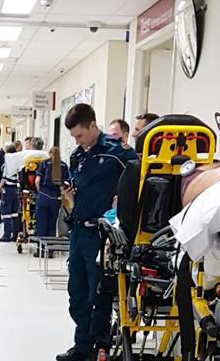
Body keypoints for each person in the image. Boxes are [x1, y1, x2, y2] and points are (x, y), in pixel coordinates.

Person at [57, 104, 138, 361]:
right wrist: (68, 199)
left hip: (101, 236)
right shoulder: (77, 156)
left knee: (99, 295)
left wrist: (122, 204)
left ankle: (98, 349)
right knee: (77, 295)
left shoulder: (119, 153)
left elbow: (138, 182)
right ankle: (82, 346)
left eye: (80, 135)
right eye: (73, 137)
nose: (77, 141)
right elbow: (76, 187)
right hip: (78, 233)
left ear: (93, 125)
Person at [34, 146, 69, 245]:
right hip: (56, 198)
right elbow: (66, 182)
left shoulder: (44, 163)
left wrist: (39, 191)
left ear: (50, 154)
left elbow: (37, 180)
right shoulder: (64, 165)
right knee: (52, 224)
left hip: (44, 195)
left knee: (41, 223)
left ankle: (41, 249)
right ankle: (50, 249)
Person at [0, 144, 20, 242]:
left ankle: (6, 235)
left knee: (6, 213)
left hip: (8, 189)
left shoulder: (8, 163)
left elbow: (4, 177)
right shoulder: (19, 162)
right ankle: (15, 235)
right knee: (15, 213)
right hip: (16, 189)